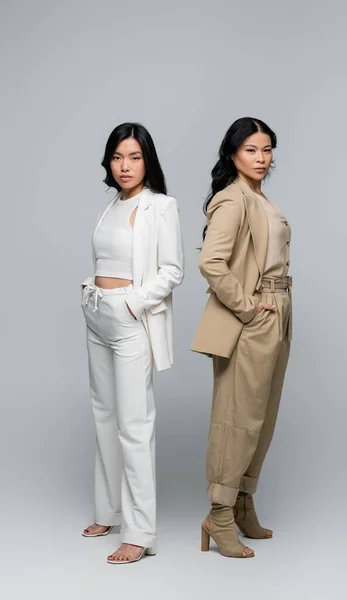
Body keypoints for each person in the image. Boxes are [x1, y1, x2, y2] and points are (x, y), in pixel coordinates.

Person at [80, 122, 184, 564]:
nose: (125, 166)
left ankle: (139, 532)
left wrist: (131, 304)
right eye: (118, 157)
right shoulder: (110, 206)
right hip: (96, 313)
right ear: (108, 161)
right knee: (103, 415)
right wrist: (91, 290)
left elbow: (172, 270)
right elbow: (106, 258)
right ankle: (109, 510)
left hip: (128, 319)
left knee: (134, 426)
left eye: (134, 157)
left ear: (148, 161)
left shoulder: (160, 206)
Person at [191, 117, 292, 558]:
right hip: (253, 316)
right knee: (238, 419)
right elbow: (212, 263)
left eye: (267, 149)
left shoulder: (258, 196)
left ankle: (245, 503)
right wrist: (249, 308)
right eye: (251, 150)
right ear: (232, 153)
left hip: (280, 309)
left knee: (263, 419)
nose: (261, 158)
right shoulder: (232, 199)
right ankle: (220, 514)